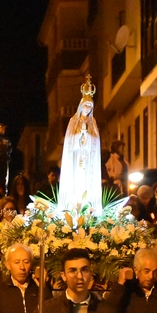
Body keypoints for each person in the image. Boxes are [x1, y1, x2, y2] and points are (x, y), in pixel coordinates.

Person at [58, 77, 102, 213]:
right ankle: (73, 204)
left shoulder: (92, 122)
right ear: (81, 106)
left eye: (90, 106)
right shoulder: (73, 121)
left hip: (88, 157)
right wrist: (80, 136)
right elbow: (69, 140)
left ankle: (88, 204)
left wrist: (88, 137)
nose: (87, 108)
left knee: (86, 181)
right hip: (76, 157)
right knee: (77, 180)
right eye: (85, 106)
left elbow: (96, 140)